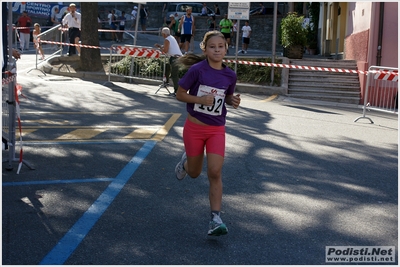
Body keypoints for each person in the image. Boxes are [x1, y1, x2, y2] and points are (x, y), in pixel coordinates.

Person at [174, 31, 241, 236]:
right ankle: (186, 163)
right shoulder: (197, 70)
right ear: (205, 49)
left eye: (221, 46)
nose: (217, 50)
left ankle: (215, 218)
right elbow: (180, 94)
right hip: (194, 128)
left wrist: (233, 101)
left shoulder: (230, 74)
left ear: (226, 48)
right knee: (194, 173)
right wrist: (200, 100)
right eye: (213, 46)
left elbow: (227, 98)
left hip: (216, 129)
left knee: (214, 172)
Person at [154, 27, 183, 95]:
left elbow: (165, 50)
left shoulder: (167, 39)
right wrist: (161, 46)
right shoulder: (171, 38)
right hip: (175, 57)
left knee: (174, 74)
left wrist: (160, 48)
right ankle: (166, 82)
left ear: (164, 34)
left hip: (175, 58)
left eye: (162, 33)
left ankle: (177, 91)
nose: (162, 35)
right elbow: (168, 47)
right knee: (167, 68)